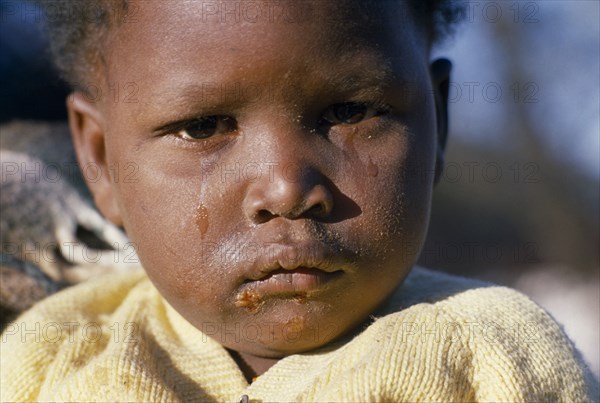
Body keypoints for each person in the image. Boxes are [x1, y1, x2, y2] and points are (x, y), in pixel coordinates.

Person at [1, 0, 597, 401]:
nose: (286, 189)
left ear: (436, 122)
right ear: (101, 159)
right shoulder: (54, 351)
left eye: (349, 112)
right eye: (204, 126)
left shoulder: (494, 352)